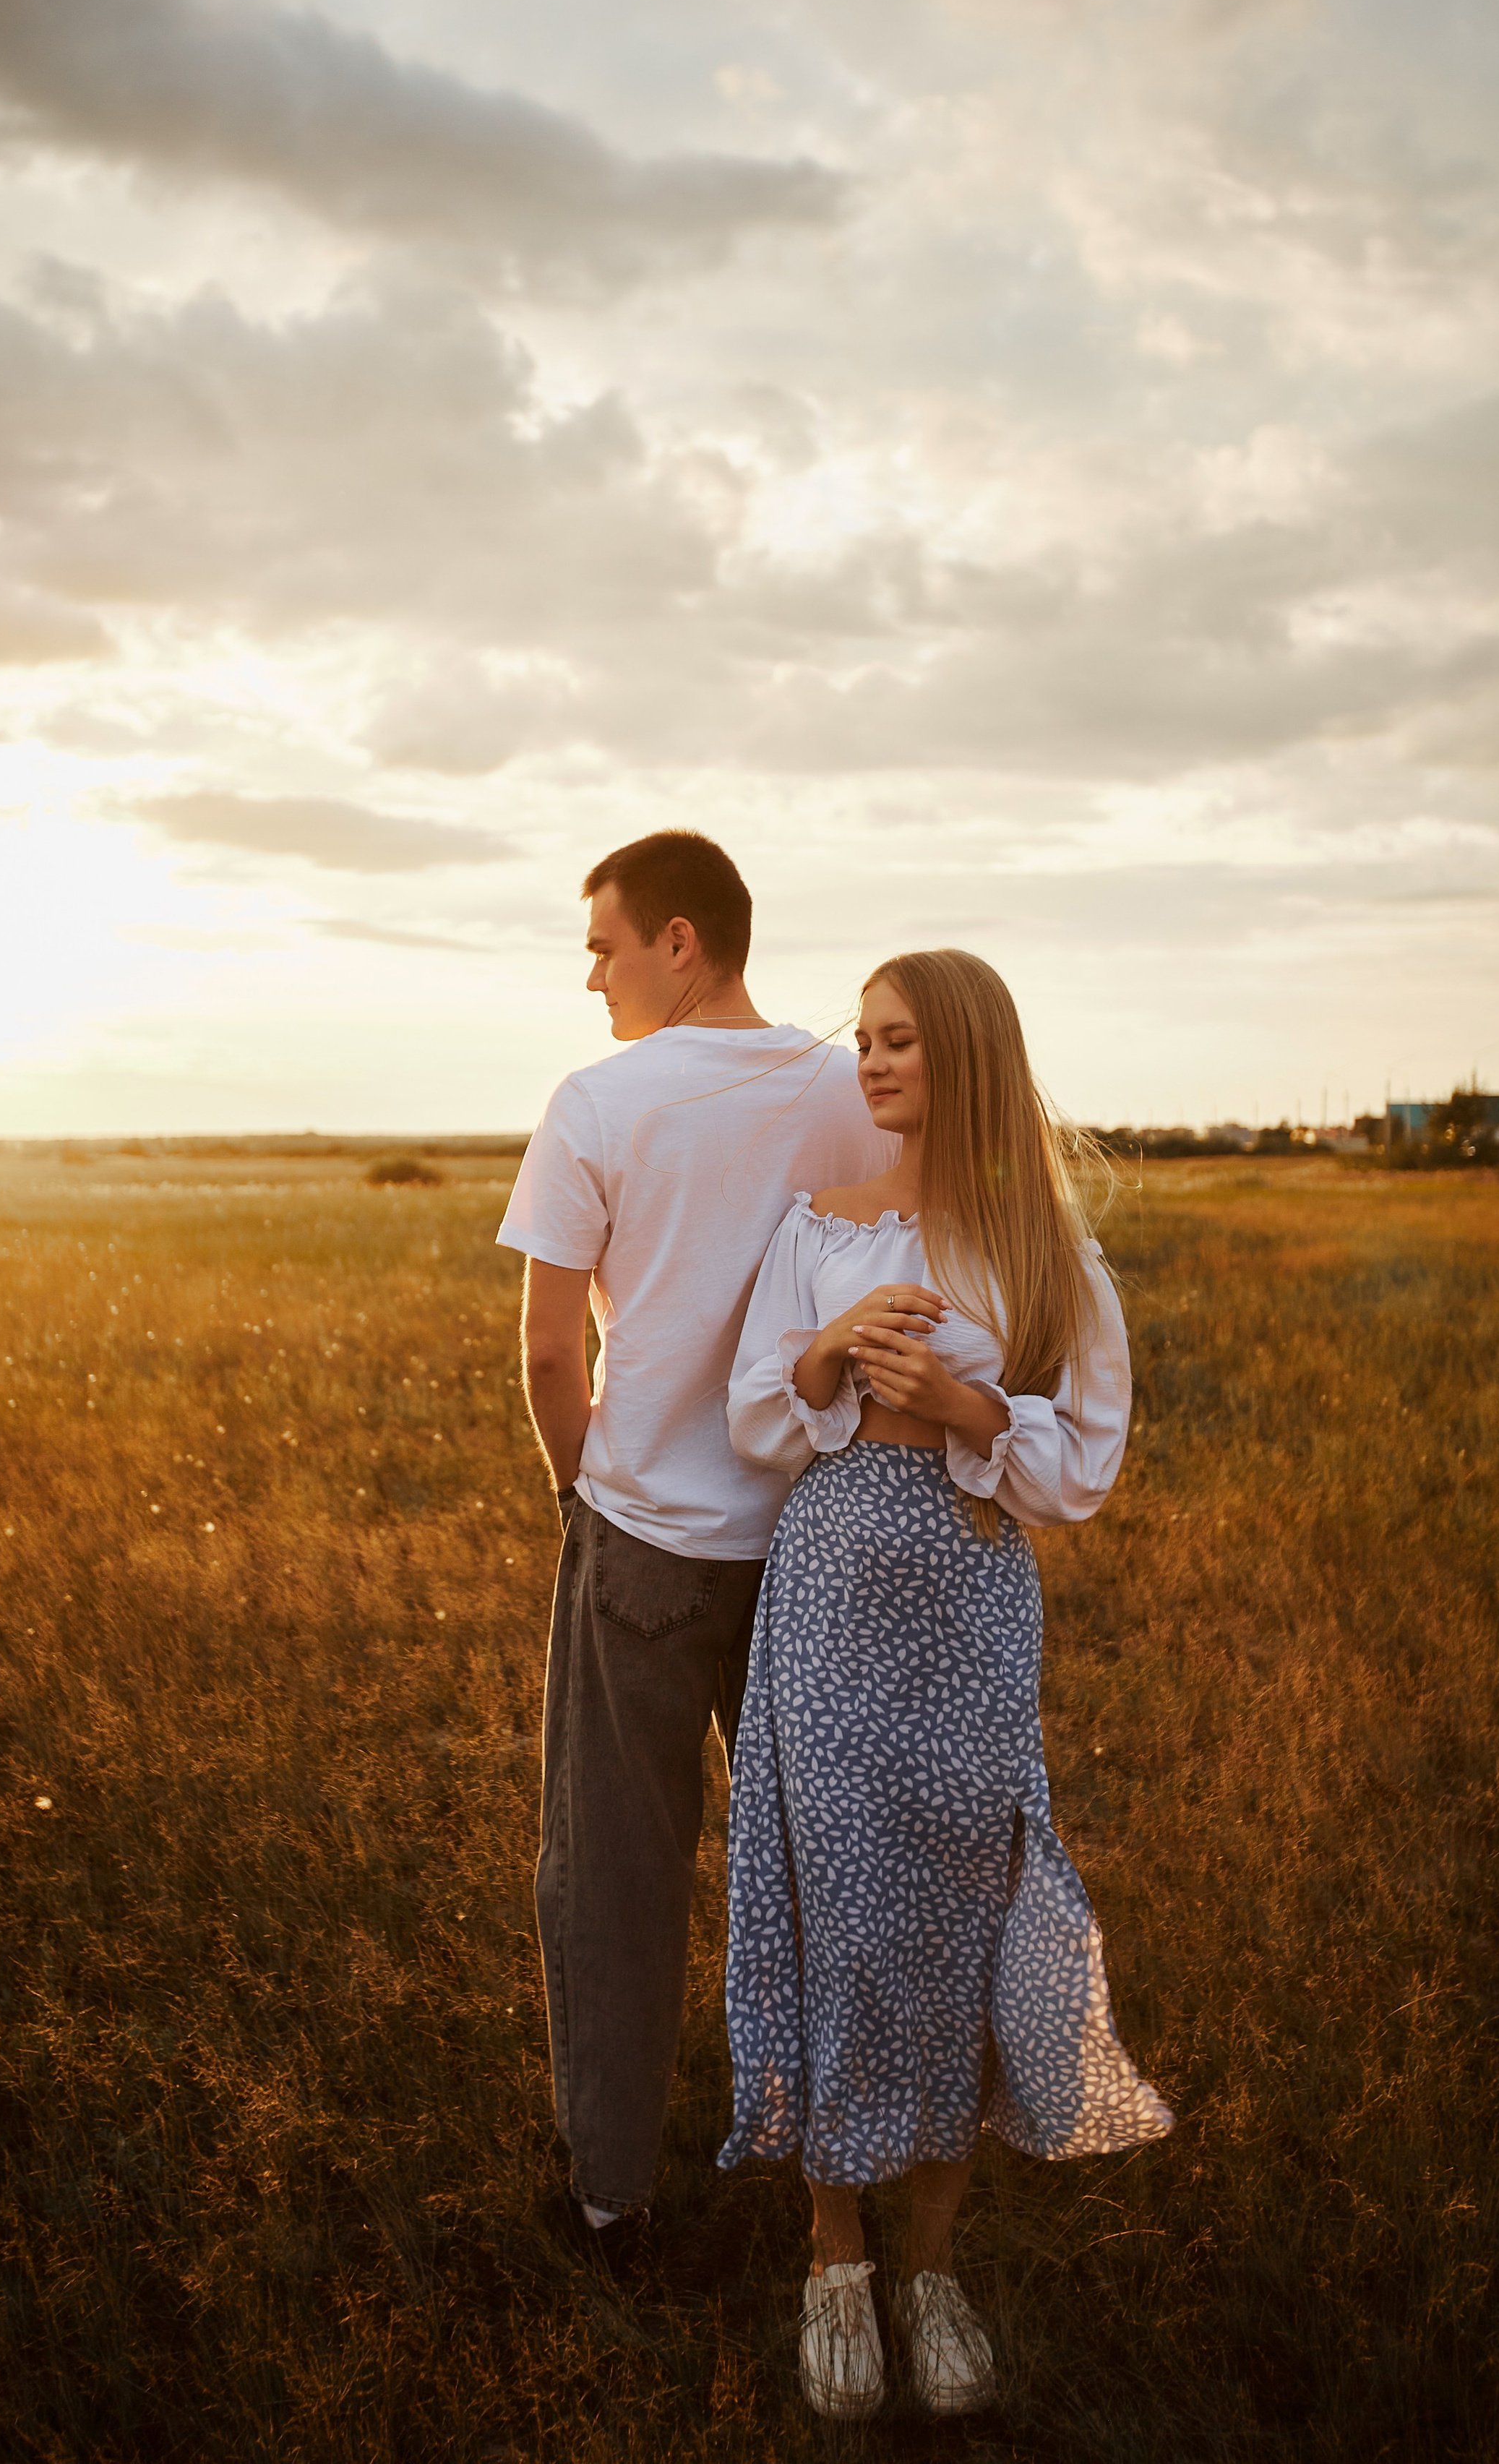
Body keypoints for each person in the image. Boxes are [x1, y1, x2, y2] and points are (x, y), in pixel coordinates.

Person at [723, 948, 1172, 2419]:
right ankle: (831, 2257)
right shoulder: (820, 1232)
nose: (870, 1064)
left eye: (898, 1041)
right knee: (842, 1916)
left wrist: (972, 1406)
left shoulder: (1044, 1253)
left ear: (964, 1054)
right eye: (861, 1040)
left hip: (971, 1606)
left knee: (960, 1917)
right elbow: (747, 1421)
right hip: (832, 1597)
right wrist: (826, 1354)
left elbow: (1083, 1467)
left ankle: (931, 2266)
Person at [497, 830, 885, 2266]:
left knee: (611, 1874)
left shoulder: (596, 1103)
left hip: (643, 1541)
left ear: (678, 939)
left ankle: (610, 2197)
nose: (587, 970)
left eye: (601, 942)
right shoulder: (847, 1090)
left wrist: (578, 1489)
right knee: (820, 1867)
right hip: (813, 1544)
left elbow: (548, 1353)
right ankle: (850, 2171)